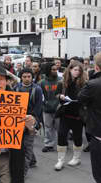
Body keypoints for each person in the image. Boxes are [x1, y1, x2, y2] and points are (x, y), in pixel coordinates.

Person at [0, 64, 36, 183]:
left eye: (1, 79)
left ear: (6, 81)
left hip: (9, 154)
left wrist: (31, 123)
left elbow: (31, 125)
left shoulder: (18, 101)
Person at [54, 61, 87, 171]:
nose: (77, 72)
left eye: (79, 70)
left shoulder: (84, 83)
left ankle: (76, 158)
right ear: (70, 70)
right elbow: (57, 95)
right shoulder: (62, 82)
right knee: (61, 135)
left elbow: (87, 98)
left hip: (78, 115)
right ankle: (60, 160)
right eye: (75, 70)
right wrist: (61, 96)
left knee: (77, 137)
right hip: (65, 113)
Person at [14, 68, 43, 176]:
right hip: (19, 122)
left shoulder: (37, 90)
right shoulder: (15, 88)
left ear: (32, 77)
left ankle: (23, 173)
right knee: (24, 145)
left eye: (29, 76)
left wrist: (33, 122)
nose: (27, 79)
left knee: (27, 147)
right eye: (24, 77)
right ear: (21, 77)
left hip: (31, 122)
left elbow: (38, 108)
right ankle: (33, 160)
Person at [78, 52, 101, 183]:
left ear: (96, 67)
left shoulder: (92, 84)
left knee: (98, 173)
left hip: (98, 134)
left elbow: (80, 99)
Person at [40, 63, 61, 153]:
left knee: (59, 127)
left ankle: (62, 143)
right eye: (53, 69)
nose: (55, 71)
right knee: (48, 127)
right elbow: (41, 96)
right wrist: (45, 103)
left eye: (56, 69)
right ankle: (48, 145)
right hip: (47, 109)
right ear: (48, 70)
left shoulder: (60, 81)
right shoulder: (42, 82)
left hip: (58, 108)